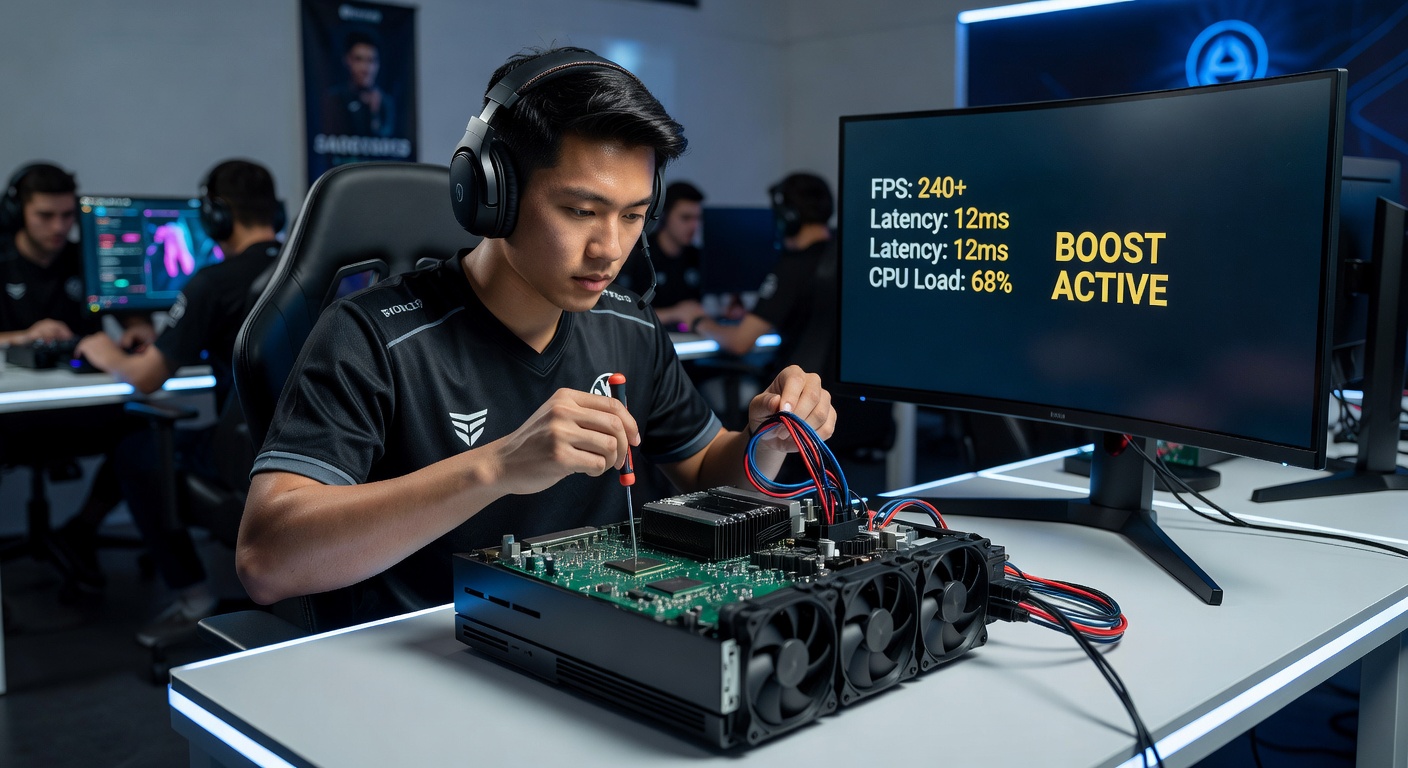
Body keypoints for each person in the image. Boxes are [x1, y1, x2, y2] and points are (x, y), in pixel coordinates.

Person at [236, 47, 835, 623]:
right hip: (427, 666)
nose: (610, 250)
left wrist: (767, 444)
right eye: (580, 211)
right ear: (496, 195)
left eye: (632, 216)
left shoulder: (628, 324)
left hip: (594, 638)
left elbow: (705, 470)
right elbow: (267, 562)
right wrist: (493, 468)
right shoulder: (370, 337)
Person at [74, 159, 283, 645]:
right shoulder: (314, 269)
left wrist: (102, 349)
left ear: (216, 216)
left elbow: (147, 378)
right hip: (301, 446)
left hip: (246, 458)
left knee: (134, 448)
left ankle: (192, 596)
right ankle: (78, 534)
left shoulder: (212, 283)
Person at [691, 173, 894, 458]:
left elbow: (739, 342)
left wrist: (697, 319)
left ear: (788, 217)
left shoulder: (793, 266)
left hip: (801, 413)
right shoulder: (857, 259)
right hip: (856, 411)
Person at [0, 162, 103, 345]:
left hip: (83, 372)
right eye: (45, 215)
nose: (59, 227)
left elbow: (130, 314)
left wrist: (137, 326)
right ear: (18, 212)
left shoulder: (88, 258)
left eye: (67, 215)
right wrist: (25, 338)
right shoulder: (4, 261)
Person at [614, 180, 704, 327]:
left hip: (689, 342)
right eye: (686, 218)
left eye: (697, 218)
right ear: (665, 215)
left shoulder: (697, 257)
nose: (694, 226)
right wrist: (675, 314)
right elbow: (622, 313)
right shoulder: (639, 254)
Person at [321, 30, 395, 138]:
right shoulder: (334, 99)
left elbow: (389, 142)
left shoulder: (385, 103)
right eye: (359, 60)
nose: (365, 69)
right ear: (347, 61)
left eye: (371, 60)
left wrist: (375, 114)